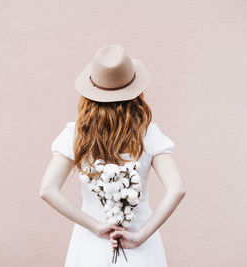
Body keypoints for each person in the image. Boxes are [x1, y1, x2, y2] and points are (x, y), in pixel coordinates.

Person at [39, 44, 186, 266]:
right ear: (135, 91)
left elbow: (47, 190)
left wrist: (94, 226)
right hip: (139, 247)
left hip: (90, 246)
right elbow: (177, 189)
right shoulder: (149, 134)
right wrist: (141, 236)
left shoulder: (75, 134)